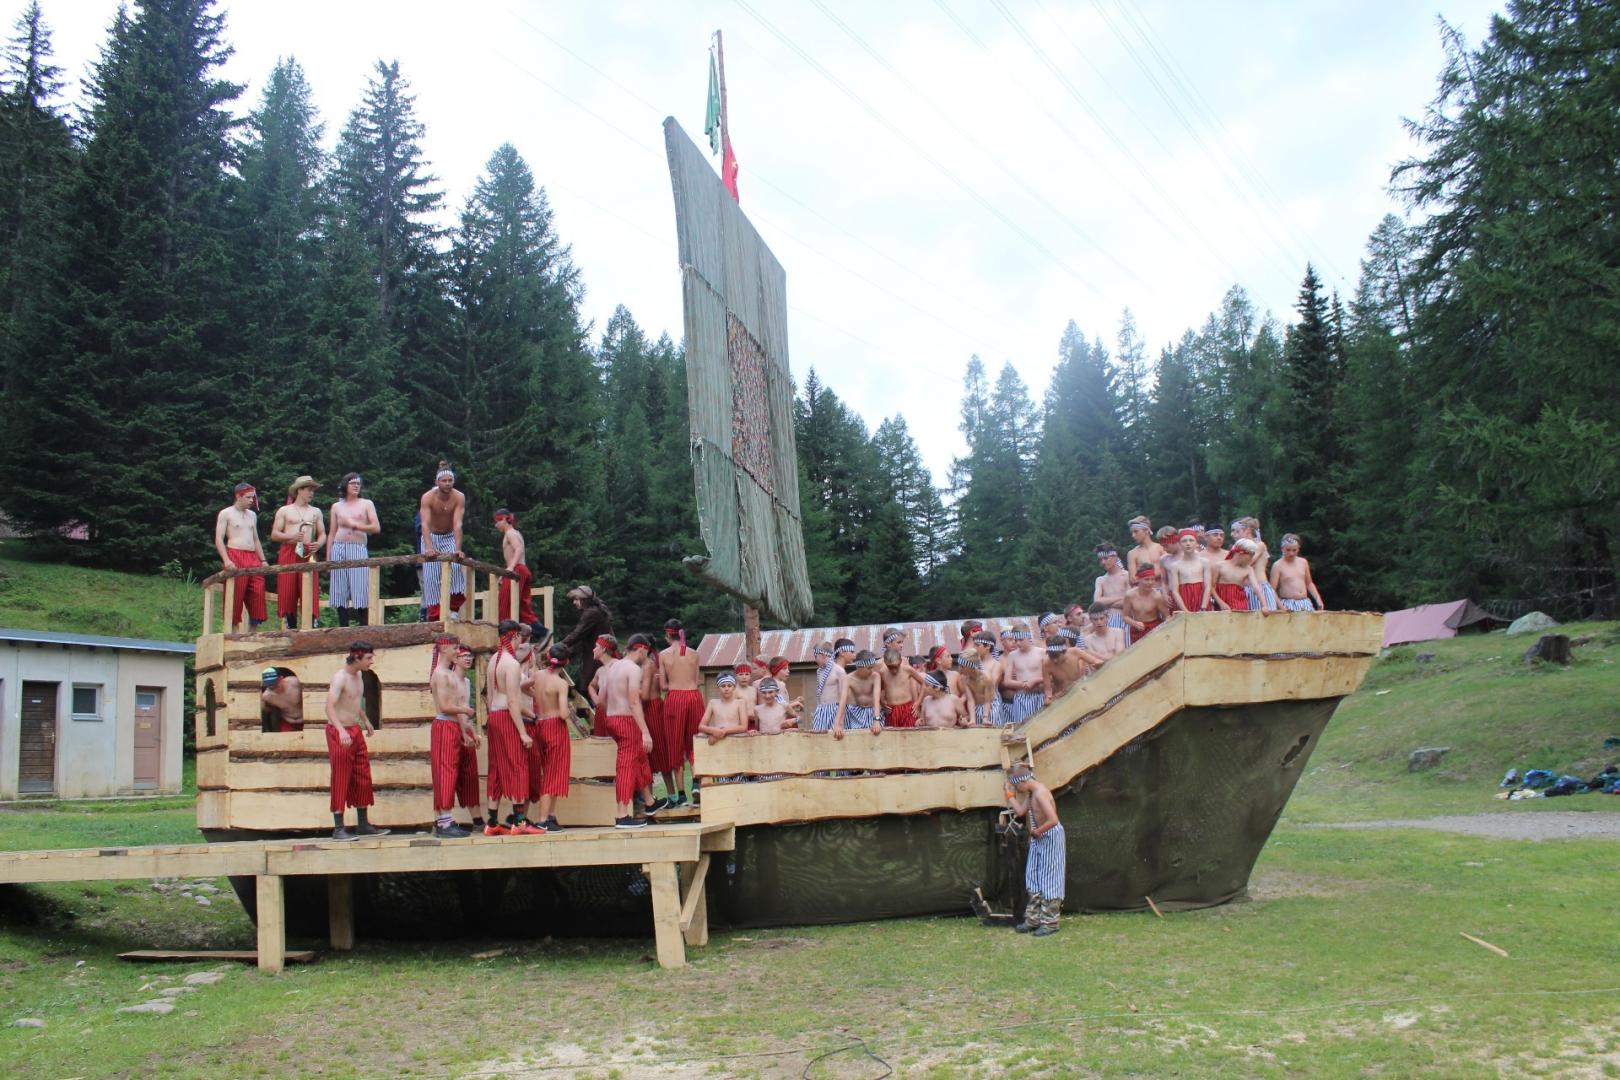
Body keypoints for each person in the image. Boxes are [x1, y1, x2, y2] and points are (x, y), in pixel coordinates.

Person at [595, 634, 664, 828]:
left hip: (611, 719)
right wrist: (645, 731)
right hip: (625, 720)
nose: (647, 657)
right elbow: (634, 701)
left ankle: (649, 802)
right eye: (647, 653)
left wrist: (613, 712)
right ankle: (622, 815)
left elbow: (601, 699)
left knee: (640, 757)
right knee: (626, 767)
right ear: (641, 649)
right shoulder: (633, 669)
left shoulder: (612, 667)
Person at [325, 641, 388, 841]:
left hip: (355, 730)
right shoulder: (340, 678)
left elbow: (354, 701)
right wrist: (340, 730)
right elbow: (329, 707)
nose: (371, 661)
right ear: (357, 657)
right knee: (341, 777)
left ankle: (363, 824)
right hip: (339, 731)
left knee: (362, 775)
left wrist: (365, 720)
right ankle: (338, 828)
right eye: (368, 658)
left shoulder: (359, 675)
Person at [484, 620, 543, 835]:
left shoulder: (493, 660)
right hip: (507, 718)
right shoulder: (511, 664)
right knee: (518, 766)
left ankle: (492, 823)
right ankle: (519, 823)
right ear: (516, 636)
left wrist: (532, 716)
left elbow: (491, 697)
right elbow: (512, 701)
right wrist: (523, 732)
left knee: (496, 769)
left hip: (494, 716)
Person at [429, 636, 478, 838]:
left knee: (451, 772)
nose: (458, 652)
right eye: (455, 648)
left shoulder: (450, 674)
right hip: (444, 726)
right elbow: (444, 706)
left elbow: (454, 705)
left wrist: (465, 730)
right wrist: (465, 710)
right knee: (445, 772)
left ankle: (446, 820)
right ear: (443, 648)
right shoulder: (440, 674)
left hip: (453, 726)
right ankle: (444, 823)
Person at [1007, 765, 1064, 936]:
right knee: (1033, 878)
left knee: (1050, 880)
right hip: (1038, 838)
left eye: (1016, 786)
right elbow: (1020, 811)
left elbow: (1053, 819)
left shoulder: (1040, 793)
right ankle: (1033, 920)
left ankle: (1050, 923)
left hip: (1049, 837)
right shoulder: (1031, 793)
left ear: (1022, 782)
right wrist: (1008, 795)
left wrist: (1038, 831)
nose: (1017, 789)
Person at [271, 476, 326, 629]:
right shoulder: (285, 510)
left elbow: (322, 534)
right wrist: (291, 537)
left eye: (313, 490)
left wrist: (319, 544)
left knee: (310, 588)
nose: (312, 493)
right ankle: (290, 624)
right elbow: (275, 534)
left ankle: (312, 623)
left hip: (308, 551)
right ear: (299, 490)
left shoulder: (316, 511)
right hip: (290, 550)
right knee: (288, 587)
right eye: (309, 490)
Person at [658, 619, 703, 807]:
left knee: (675, 744)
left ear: (667, 635)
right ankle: (696, 783)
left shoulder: (663, 655)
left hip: (675, 698)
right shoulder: (694, 653)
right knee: (695, 742)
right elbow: (696, 680)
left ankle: (682, 795)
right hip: (694, 697)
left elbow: (663, 685)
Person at [326, 473, 380, 627]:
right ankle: (343, 627)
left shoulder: (366, 504)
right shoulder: (336, 506)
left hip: (358, 548)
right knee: (339, 588)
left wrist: (354, 525)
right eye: (353, 483)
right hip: (338, 547)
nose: (356, 486)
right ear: (345, 485)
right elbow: (332, 533)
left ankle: (363, 627)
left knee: (361, 588)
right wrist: (328, 559)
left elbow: (376, 527)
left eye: (358, 483)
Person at [530, 643, 574, 831]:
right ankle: (542, 820)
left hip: (540, 724)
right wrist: (569, 710)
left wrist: (535, 695)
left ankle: (550, 815)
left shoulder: (538, 675)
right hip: (555, 727)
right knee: (552, 773)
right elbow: (563, 714)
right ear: (566, 662)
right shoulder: (561, 683)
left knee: (549, 771)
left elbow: (523, 686)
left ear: (548, 658)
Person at [215, 483, 268, 631]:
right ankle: (234, 632)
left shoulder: (252, 515)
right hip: (235, 554)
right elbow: (219, 539)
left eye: (253, 497)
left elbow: (256, 539)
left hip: (252, 557)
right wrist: (226, 560)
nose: (252, 500)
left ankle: (253, 632)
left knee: (257, 592)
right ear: (238, 496)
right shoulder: (226, 513)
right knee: (236, 594)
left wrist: (263, 560)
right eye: (248, 497)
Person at [420, 464, 467, 621]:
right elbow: (425, 525)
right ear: (437, 482)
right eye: (444, 480)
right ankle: (434, 615)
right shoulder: (427, 497)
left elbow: (458, 524)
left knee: (456, 566)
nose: (447, 483)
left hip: (449, 536)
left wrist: (458, 549)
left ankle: (454, 608)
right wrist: (429, 547)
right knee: (431, 576)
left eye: (450, 480)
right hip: (432, 536)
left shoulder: (459, 497)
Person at [559, 586, 614, 698]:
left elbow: (577, 634)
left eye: (576, 599)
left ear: (585, 600)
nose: (574, 602)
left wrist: (559, 646)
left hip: (599, 655)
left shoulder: (592, 613)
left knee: (590, 689)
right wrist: (568, 652)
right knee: (586, 688)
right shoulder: (595, 610)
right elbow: (583, 638)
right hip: (596, 654)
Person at [493, 509, 536, 626]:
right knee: (523, 607)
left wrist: (511, 567)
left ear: (503, 519)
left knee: (505, 605)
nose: (495, 525)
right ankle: (541, 631)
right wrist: (505, 573)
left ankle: (507, 635)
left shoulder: (510, 533)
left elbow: (518, 549)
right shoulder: (516, 533)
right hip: (521, 570)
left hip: (517, 569)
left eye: (496, 522)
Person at [832, 650, 884, 740]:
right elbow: (842, 701)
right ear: (859, 667)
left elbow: (876, 700)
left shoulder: (875, 676)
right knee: (856, 738)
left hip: (873, 711)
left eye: (873, 667)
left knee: (875, 735)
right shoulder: (848, 678)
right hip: (856, 713)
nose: (872, 670)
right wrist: (837, 724)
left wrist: (876, 720)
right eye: (869, 668)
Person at [999, 626, 1045, 725]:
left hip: (1040, 696)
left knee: (1042, 726)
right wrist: (1023, 685)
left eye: (1021, 640)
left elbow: (1050, 677)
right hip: (1021, 698)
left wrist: (1036, 680)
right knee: (1023, 728)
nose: (1018, 643)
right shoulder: (1012, 656)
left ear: (1028, 637)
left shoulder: (1041, 652)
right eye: (1015, 640)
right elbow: (1007, 681)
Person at [1230, 518, 1278, 611]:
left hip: (1260, 587)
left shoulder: (1259, 545)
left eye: (1237, 531)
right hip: (1244, 589)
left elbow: (1246, 563)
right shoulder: (1237, 548)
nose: (1233, 534)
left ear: (1247, 530)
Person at [809, 639, 856, 732]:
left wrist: (839, 722)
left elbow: (843, 698)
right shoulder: (819, 671)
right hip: (821, 711)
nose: (815, 659)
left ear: (822, 655)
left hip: (835, 712)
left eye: (816, 656)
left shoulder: (839, 671)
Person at [1271, 534, 1324, 611]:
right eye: (1288, 550)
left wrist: (1318, 599)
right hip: (1288, 603)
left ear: (1298, 549)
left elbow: (1309, 583)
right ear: (1282, 549)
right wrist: (1282, 607)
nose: (1291, 553)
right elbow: (1272, 590)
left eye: (1294, 550)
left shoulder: (1303, 562)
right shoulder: (1277, 565)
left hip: (1305, 602)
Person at [698, 672, 753, 743]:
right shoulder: (713, 703)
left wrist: (722, 731)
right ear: (718, 688)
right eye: (723, 686)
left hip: (735, 740)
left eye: (729, 686)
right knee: (700, 735)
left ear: (734, 687)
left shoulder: (740, 703)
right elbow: (701, 726)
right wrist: (713, 731)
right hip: (718, 741)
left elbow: (744, 727)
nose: (726, 689)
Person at [1121, 566, 1170, 644]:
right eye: (1146, 579)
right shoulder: (1130, 595)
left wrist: (1165, 626)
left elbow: (1167, 616)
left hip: (1154, 629)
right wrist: (1135, 623)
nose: (1150, 582)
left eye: (1152, 579)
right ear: (1138, 579)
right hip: (1137, 629)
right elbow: (1125, 616)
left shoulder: (1157, 596)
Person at [1213, 539, 1265, 611]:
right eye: (1251, 555)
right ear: (1241, 553)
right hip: (1221, 606)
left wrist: (1264, 606)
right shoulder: (1220, 566)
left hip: (1240, 606)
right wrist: (1221, 603)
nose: (1252, 559)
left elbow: (1256, 588)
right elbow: (1211, 587)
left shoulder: (1248, 569)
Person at [1168, 528, 1212, 613]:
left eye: (1191, 540)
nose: (1188, 543)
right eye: (1184, 541)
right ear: (1179, 544)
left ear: (1196, 543)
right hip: (1183, 602)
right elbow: (1175, 591)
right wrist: (1185, 611)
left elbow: (1208, 587)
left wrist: (1203, 608)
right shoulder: (1175, 566)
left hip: (1201, 601)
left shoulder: (1204, 562)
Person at [1093, 545, 1131, 632]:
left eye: (1106, 558)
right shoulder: (1100, 580)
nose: (1103, 562)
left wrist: (1106, 603)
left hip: (1126, 619)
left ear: (1115, 557)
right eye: (1100, 559)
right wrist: (1120, 597)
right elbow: (1097, 602)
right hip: (1108, 622)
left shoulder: (1126, 575)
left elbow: (1128, 603)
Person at [957, 646, 998, 726]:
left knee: (990, 728)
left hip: (991, 706)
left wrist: (985, 718)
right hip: (976, 707)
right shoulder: (964, 678)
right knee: (975, 727)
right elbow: (970, 700)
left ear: (971, 666)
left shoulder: (986, 677)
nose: (960, 670)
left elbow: (988, 700)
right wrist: (972, 719)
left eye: (962, 667)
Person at [878, 649, 918, 728]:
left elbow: (922, 683)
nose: (894, 670)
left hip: (907, 708)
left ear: (900, 661)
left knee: (909, 732)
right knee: (892, 733)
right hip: (891, 710)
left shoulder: (907, 669)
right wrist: (882, 703)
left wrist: (918, 703)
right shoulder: (882, 672)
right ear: (885, 663)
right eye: (890, 667)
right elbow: (880, 689)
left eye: (896, 666)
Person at [1042, 638, 1088, 702]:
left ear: (1064, 652)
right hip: (1063, 697)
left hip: (1081, 689)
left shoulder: (1075, 652)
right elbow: (1048, 689)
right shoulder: (1046, 664)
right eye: (1052, 657)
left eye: (1057, 656)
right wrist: (1048, 697)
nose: (1055, 660)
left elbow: (1096, 662)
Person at [1125, 516, 1164, 581]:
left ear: (1146, 530)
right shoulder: (1132, 554)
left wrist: (1145, 575)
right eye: (1132, 533)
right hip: (1143, 587)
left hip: (1161, 586)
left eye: (1136, 531)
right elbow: (1133, 579)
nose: (1133, 535)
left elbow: (1168, 569)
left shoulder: (1160, 548)